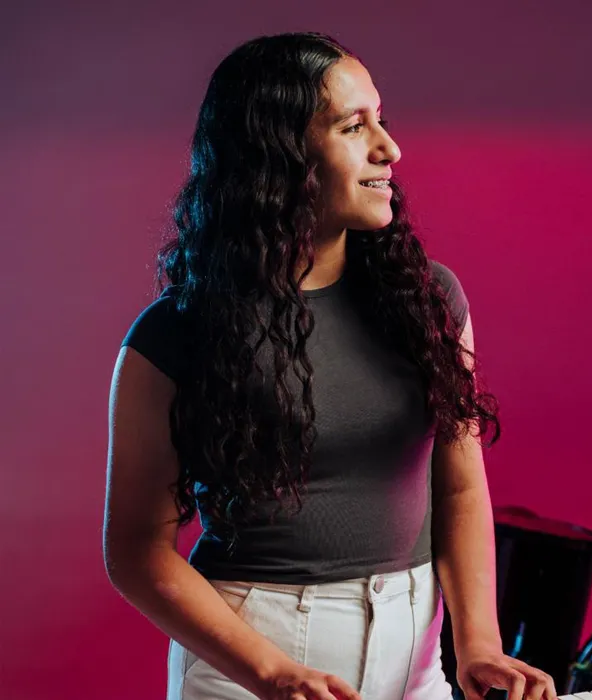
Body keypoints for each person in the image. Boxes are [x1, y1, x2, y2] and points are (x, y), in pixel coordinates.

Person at [103, 31, 557, 700]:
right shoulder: (174, 335)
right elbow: (135, 550)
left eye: (382, 119)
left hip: (415, 657)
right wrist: (271, 672)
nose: (389, 149)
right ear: (280, 155)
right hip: (252, 664)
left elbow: (459, 489)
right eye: (353, 126)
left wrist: (480, 644)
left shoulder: (429, 301)